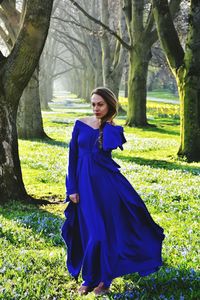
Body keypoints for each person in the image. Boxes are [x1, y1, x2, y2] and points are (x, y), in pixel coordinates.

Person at [61, 87, 165, 296]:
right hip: (84, 187)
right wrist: (71, 188)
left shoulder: (111, 130)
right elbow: (72, 158)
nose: (96, 108)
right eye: (93, 104)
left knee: (104, 233)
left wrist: (106, 126)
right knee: (93, 233)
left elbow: (109, 149)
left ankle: (104, 281)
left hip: (107, 187)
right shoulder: (80, 124)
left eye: (100, 104)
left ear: (109, 105)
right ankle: (90, 278)